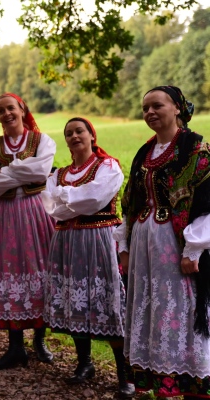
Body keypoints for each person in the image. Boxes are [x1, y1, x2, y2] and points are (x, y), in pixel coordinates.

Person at [117, 86, 210, 399]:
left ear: (178, 108)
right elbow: (131, 202)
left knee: (180, 308)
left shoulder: (196, 151)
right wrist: (124, 246)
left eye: (157, 105)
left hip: (176, 244)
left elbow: (207, 205)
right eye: (145, 108)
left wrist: (193, 249)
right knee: (152, 309)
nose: (150, 112)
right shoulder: (144, 153)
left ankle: (193, 380)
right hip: (144, 246)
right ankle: (161, 378)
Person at [42, 117, 134, 398]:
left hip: (99, 240)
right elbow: (52, 208)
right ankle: (85, 363)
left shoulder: (108, 166)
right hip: (67, 242)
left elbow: (95, 200)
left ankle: (125, 374)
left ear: (92, 135)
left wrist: (65, 198)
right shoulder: (58, 174)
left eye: (79, 131)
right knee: (74, 299)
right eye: (68, 133)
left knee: (109, 302)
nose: (74, 136)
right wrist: (71, 200)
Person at [0, 93, 56, 370]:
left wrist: (8, 170)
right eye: (0, 111)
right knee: (11, 271)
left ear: (22, 109)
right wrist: (23, 170)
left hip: (37, 211)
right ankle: (15, 347)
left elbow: (41, 172)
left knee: (40, 268)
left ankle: (39, 340)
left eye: (10, 108)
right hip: (8, 215)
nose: (6, 114)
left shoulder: (42, 141)